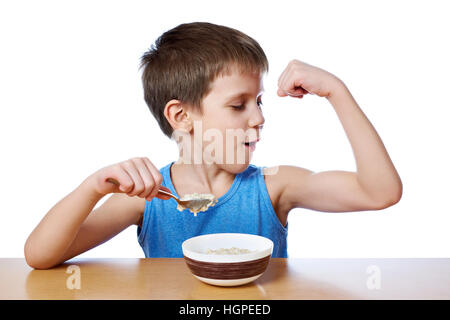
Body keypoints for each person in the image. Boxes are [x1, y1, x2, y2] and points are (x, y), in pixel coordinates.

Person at [24, 22, 402, 269]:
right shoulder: (150, 195)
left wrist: (337, 91)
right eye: (238, 105)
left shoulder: (274, 186)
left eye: (259, 101)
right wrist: (93, 187)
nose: (258, 118)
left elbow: (380, 192)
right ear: (181, 117)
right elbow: (40, 256)